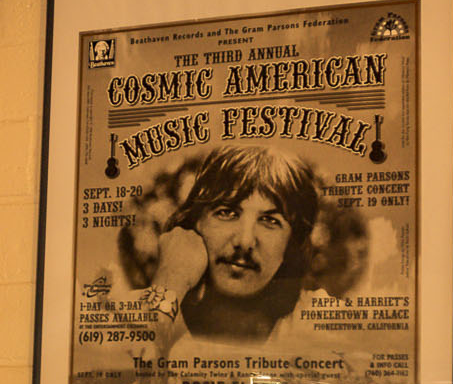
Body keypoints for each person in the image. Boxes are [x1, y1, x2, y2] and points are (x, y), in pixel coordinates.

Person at [132, 144, 324, 345]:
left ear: (291, 244)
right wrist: (172, 279)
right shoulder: (120, 303)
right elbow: (135, 356)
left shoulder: (316, 322)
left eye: (270, 221)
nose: (245, 241)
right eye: (227, 213)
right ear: (196, 223)